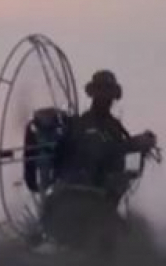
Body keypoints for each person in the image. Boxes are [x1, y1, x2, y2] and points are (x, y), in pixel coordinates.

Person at [39, 70, 157, 255]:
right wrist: (134, 145)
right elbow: (99, 151)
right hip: (74, 203)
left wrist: (138, 150)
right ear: (93, 94)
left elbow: (119, 158)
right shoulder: (83, 125)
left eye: (109, 93)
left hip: (98, 205)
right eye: (102, 92)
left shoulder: (113, 127)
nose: (106, 98)